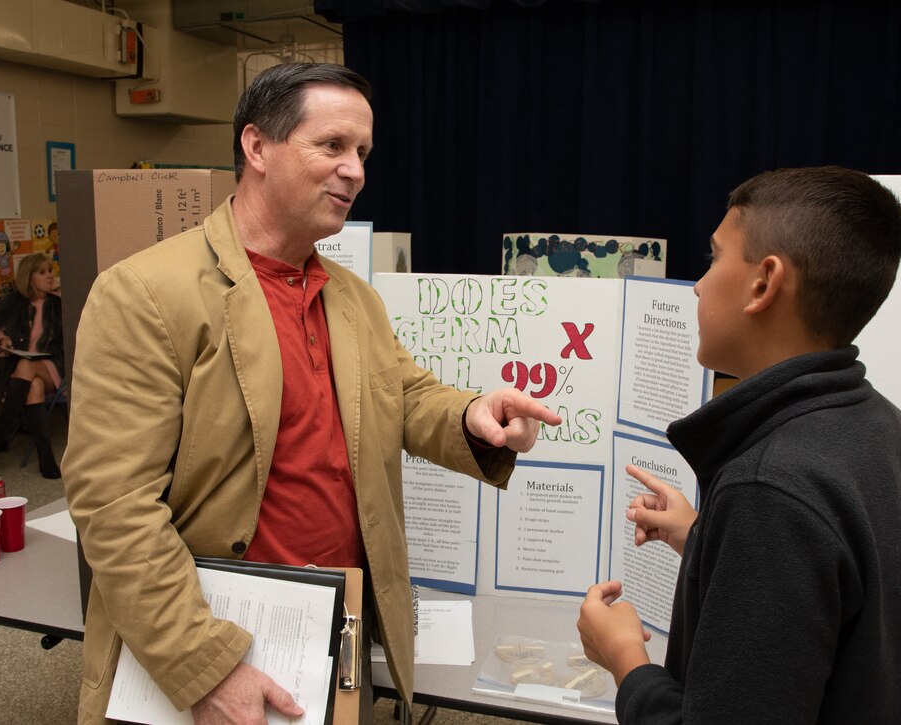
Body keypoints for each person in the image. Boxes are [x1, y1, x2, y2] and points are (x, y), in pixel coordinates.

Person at [61, 62, 561, 725]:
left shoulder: (351, 297)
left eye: (362, 153)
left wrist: (473, 415)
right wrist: (206, 666)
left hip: (332, 621)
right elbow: (114, 506)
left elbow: (402, 394)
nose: (354, 169)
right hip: (215, 627)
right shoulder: (145, 293)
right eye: (332, 146)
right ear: (256, 147)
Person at [577, 166, 901, 723]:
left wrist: (625, 658)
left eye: (714, 256)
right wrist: (707, 541)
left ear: (764, 282)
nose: (700, 284)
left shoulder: (770, 489)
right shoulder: (896, 433)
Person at [0, 252, 64, 478]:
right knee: (33, 386)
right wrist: (1, 338)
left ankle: (3, 431)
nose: (49, 276)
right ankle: (46, 458)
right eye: (42, 272)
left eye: (50, 271)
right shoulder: (12, 302)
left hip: (53, 366)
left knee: (25, 365)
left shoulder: (59, 303)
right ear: (28, 277)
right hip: (25, 376)